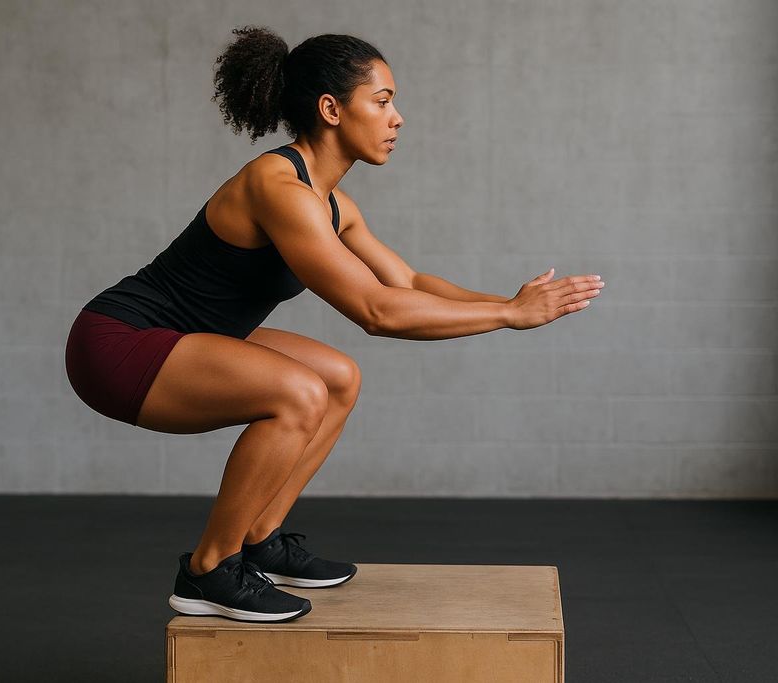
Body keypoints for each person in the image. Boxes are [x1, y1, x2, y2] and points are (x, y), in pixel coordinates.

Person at [64, 26, 605, 624]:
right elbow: (376, 312)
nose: (397, 118)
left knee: (338, 377)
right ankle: (208, 571)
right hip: (117, 343)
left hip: (194, 335)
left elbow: (408, 284)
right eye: (382, 101)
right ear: (331, 109)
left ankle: (260, 540)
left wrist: (512, 301)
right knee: (298, 393)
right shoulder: (277, 187)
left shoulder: (334, 205)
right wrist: (507, 316)